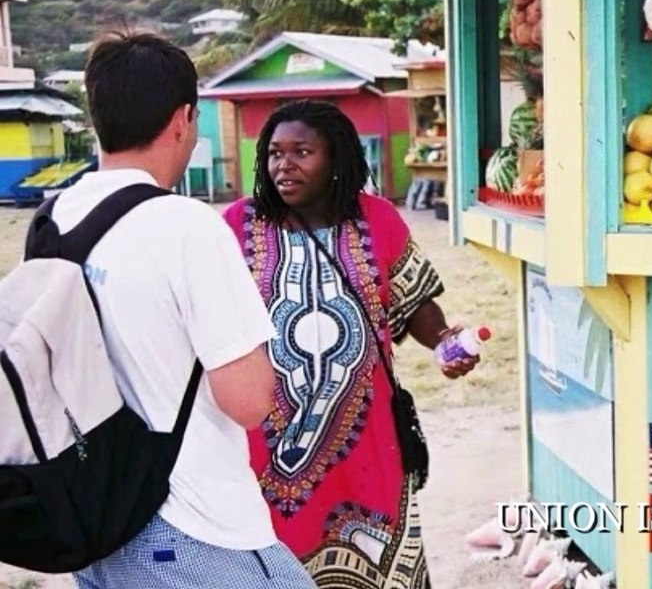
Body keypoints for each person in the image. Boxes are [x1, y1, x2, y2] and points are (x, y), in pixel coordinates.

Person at [60, 32, 317, 588]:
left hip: (93, 514)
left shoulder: (56, 218)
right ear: (183, 120)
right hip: (189, 523)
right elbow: (248, 401)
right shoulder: (187, 228)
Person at [222, 100, 477, 588]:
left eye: (302, 151)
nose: (284, 164)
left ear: (335, 158)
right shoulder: (238, 225)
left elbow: (416, 304)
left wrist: (444, 339)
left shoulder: (377, 220)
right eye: (275, 152)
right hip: (263, 451)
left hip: (368, 441)